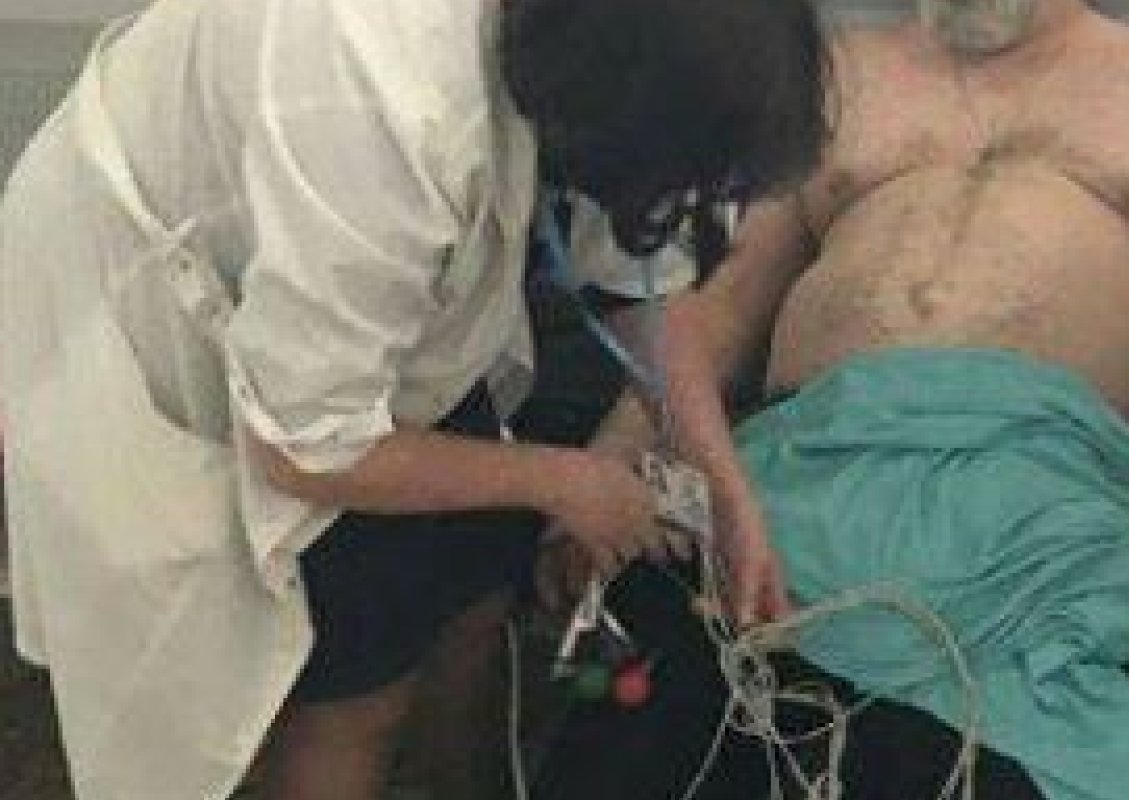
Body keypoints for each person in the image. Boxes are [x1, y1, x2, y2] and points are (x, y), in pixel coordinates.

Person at [0, 0, 829, 797]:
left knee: (469, 591)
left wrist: (723, 484)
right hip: (177, 310)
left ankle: (471, 779)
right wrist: (568, 482)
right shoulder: (374, 91)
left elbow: (640, 281)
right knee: (353, 689)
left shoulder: (612, 51)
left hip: (368, 329)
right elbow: (306, 448)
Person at [584, 0, 1129, 798]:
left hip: (1036, 511)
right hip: (805, 491)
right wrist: (616, 450)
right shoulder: (831, 73)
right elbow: (723, 303)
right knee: (654, 729)